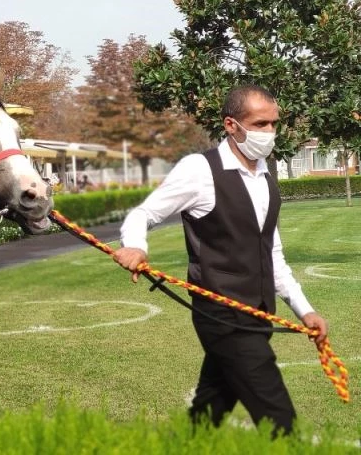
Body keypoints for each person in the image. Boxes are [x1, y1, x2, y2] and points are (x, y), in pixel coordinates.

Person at [113, 85, 328, 436]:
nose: (269, 133)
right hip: (221, 313)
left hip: (258, 311)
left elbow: (271, 253)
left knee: (211, 406)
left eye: (274, 124)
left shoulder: (265, 177)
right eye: (260, 124)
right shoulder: (200, 170)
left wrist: (305, 310)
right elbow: (144, 213)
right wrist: (136, 246)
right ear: (231, 124)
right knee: (279, 419)